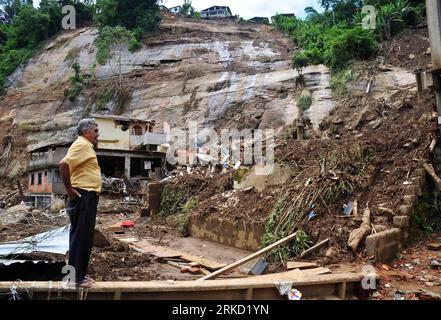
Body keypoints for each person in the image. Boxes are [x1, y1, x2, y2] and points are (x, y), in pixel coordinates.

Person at [59, 118, 102, 288]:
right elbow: (63, 164)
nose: (98, 134)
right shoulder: (82, 144)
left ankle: (76, 276)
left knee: (80, 236)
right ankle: (75, 279)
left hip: (86, 196)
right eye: (96, 131)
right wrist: (69, 189)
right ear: (86, 132)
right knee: (81, 237)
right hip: (82, 196)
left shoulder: (85, 145)